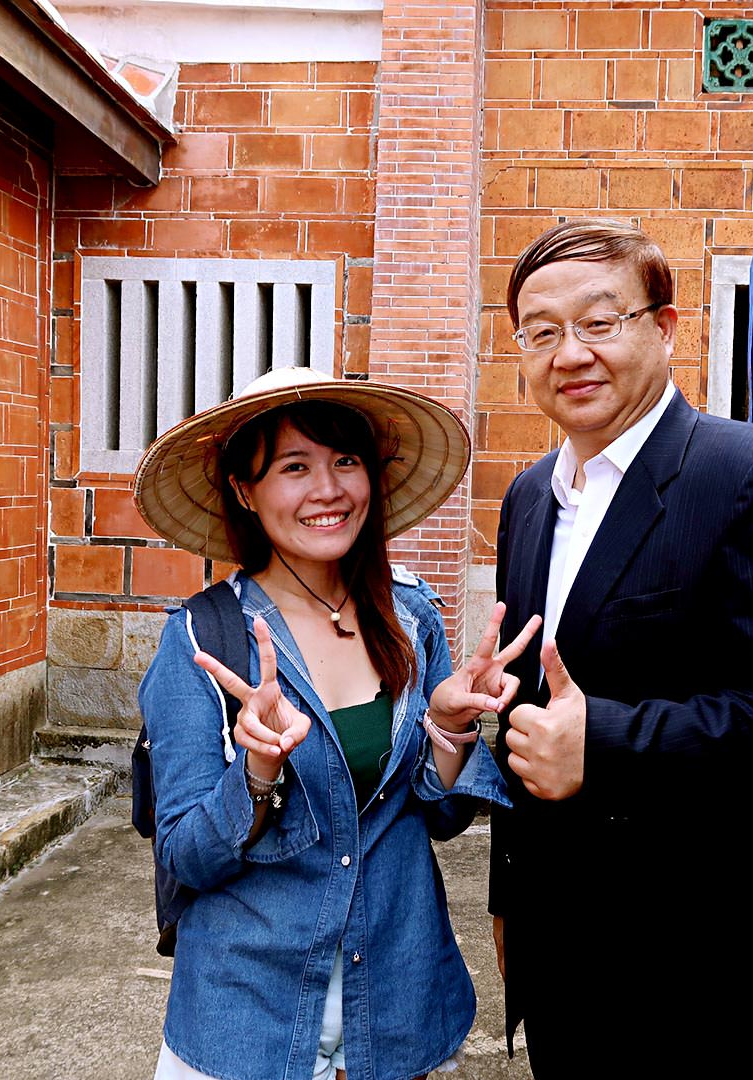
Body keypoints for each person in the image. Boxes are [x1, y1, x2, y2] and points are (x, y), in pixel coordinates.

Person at [487, 218, 753, 1076]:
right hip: (566, 959)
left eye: (600, 322)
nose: (570, 354)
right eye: (542, 332)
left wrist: (609, 742)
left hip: (720, 969)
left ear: (664, 328)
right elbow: (533, 710)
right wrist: (510, 897)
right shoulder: (529, 498)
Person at [132, 366, 540, 1080]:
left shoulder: (408, 614)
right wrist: (255, 773)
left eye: (345, 461)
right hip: (246, 1025)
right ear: (244, 490)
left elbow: (437, 819)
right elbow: (186, 856)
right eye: (295, 467)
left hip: (396, 1005)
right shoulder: (202, 639)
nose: (328, 490)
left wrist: (446, 730)